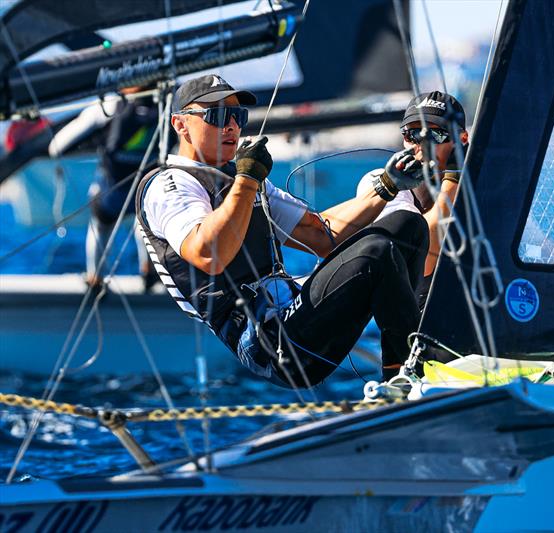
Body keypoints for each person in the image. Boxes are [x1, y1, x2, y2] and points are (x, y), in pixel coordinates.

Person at [135, 75, 431, 387]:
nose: (231, 127)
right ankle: (412, 376)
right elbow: (210, 255)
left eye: (238, 117)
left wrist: (386, 187)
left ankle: (402, 370)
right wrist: (247, 181)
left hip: (294, 312)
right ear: (181, 125)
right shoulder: (168, 185)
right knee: (376, 251)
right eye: (218, 116)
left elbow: (322, 235)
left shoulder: (245, 179)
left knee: (406, 225)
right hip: (267, 344)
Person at [49, 86, 168, 292]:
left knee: (101, 227)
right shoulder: (169, 105)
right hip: (148, 196)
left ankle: (96, 279)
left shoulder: (110, 106)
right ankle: (149, 272)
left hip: (112, 194)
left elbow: (56, 147)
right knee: (145, 221)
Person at [356, 91, 469, 306]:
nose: (422, 145)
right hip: (417, 322)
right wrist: (454, 178)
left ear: (461, 140)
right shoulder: (379, 183)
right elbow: (421, 262)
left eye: (436, 135)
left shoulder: (478, 190)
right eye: (413, 134)